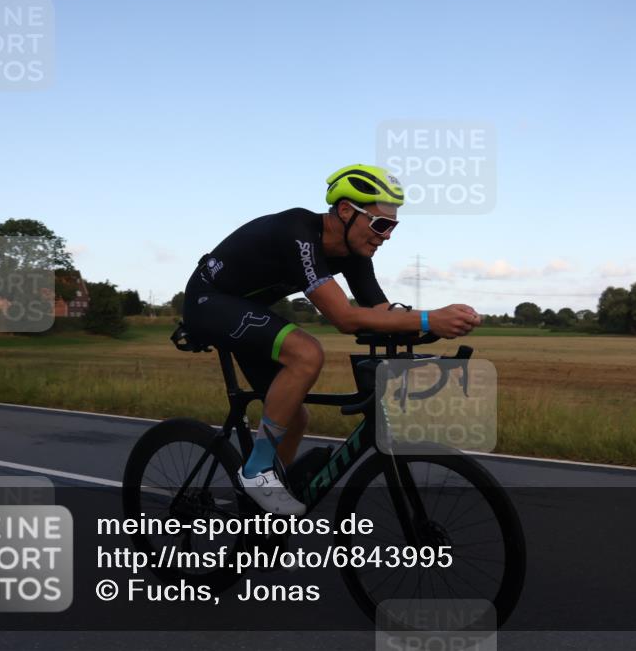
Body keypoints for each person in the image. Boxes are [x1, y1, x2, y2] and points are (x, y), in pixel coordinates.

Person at [182, 164, 481, 515]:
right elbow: (344, 318)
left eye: (393, 226)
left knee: (296, 419)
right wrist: (431, 317)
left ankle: (260, 516)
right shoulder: (298, 232)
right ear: (345, 211)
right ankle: (256, 472)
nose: (386, 236)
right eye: (381, 224)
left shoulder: (355, 255)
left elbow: (382, 313)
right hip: (208, 301)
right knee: (306, 353)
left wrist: (435, 325)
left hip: (245, 310)